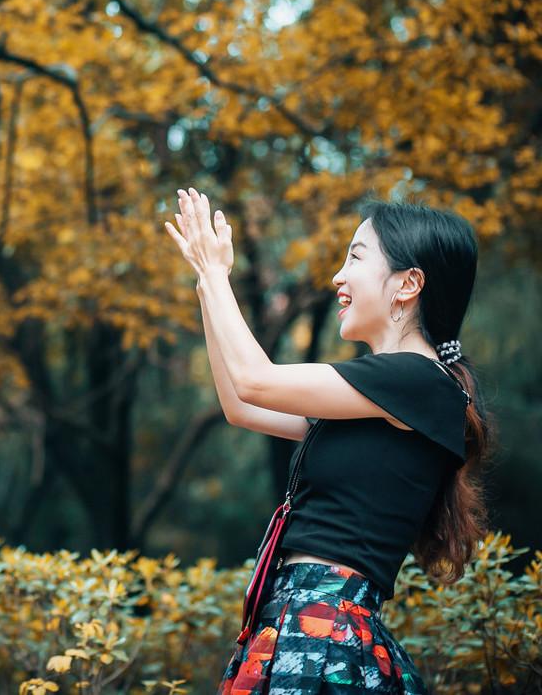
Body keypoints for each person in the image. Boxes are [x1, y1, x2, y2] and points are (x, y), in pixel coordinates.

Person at [165, 188, 489, 694]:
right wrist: (208, 284)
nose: (338, 276)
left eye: (356, 257)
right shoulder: (378, 393)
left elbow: (255, 379)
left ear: (408, 284)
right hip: (296, 622)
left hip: (323, 629)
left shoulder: (421, 382)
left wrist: (215, 274)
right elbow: (241, 405)